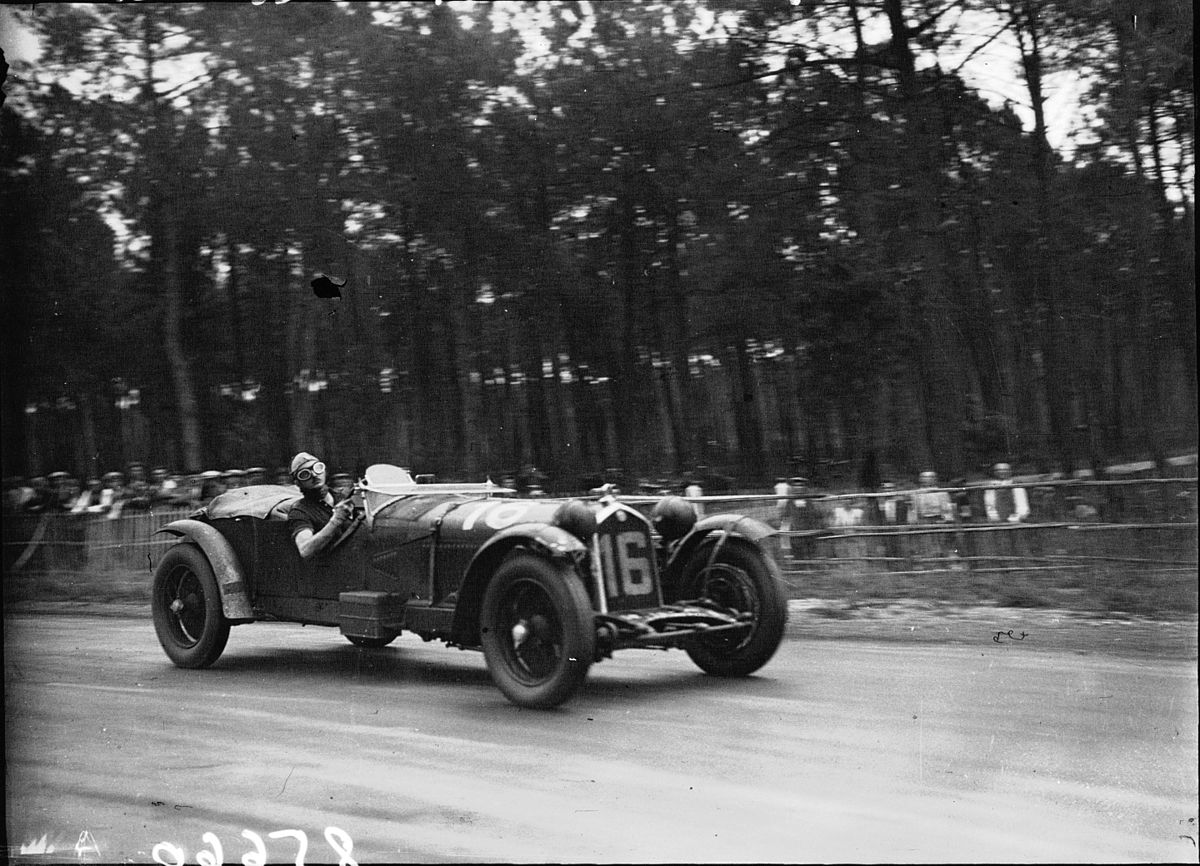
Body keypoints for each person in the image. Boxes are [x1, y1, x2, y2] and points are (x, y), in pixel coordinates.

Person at [287, 452, 355, 560]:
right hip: (332, 568)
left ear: (324, 471)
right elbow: (305, 550)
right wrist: (336, 520)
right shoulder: (299, 511)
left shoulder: (343, 497)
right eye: (305, 474)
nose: (314, 475)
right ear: (298, 483)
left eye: (317, 468)